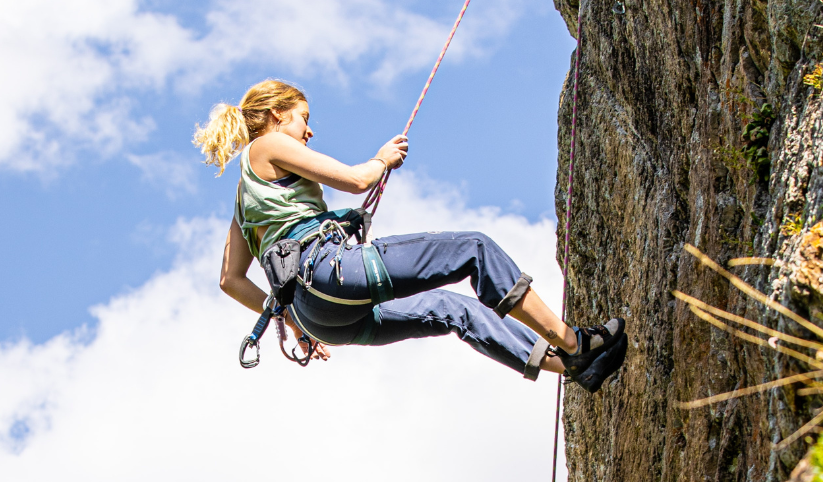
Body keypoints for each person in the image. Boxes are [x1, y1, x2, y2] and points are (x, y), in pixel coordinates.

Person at [194, 79, 626, 388]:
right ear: (276, 115)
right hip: (329, 272)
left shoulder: (243, 198)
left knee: (450, 310)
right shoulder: (266, 145)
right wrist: (381, 160)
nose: (309, 130)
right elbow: (357, 179)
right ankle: (574, 343)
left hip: (320, 316)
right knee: (474, 249)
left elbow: (229, 280)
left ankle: (566, 367)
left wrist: (293, 321)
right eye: (303, 118)